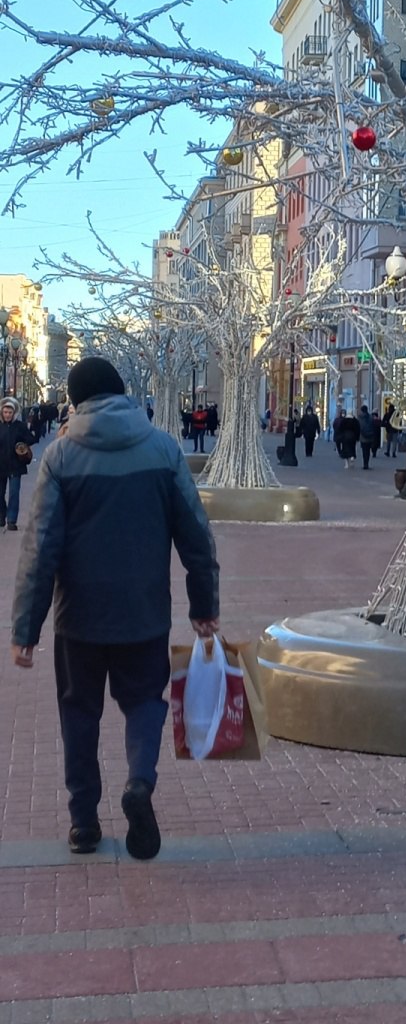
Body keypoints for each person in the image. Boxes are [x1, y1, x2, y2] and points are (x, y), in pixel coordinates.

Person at [10, 357, 219, 859]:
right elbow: (196, 535)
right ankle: (140, 784)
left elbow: (41, 547)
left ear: (77, 401)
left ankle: (83, 822)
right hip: (144, 612)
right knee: (145, 704)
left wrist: (26, 629)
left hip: (77, 617)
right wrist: (203, 604)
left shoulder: (60, 458)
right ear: (123, 394)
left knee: (79, 713)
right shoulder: (164, 449)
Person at [0, 397, 33, 532]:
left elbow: (31, 438)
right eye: (5, 412)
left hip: (15, 465)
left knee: (14, 493)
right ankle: (2, 515)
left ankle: (12, 520)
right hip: (0, 465)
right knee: (0, 494)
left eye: (10, 412)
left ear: (14, 413)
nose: (7, 415)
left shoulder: (20, 426)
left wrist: (22, 444)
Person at [358, 404, 378, 470]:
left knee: (364, 451)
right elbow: (374, 427)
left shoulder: (360, 418)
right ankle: (367, 463)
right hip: (370, 437)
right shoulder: (371, 417)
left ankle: (365, 464)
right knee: (368, 451)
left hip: (363, 437)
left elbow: (359, 427)